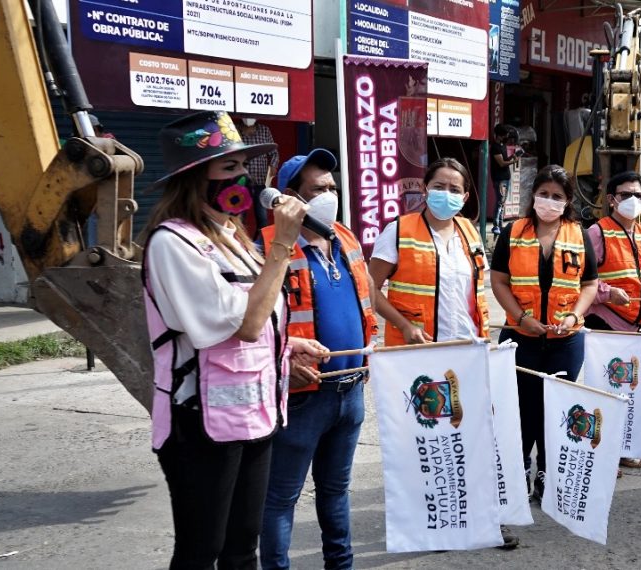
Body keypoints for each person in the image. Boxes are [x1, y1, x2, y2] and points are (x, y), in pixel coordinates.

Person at [141, 111, 323, 568]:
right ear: (194, 177)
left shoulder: (230, 236)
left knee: (243, 548)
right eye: (229, 167)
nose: (243, 176)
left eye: (244, 166)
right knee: (203, 551)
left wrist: (286, 345)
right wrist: (282, 244)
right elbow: (241, 324)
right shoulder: (173, 243)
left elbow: (257, 319)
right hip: (200, 424)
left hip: (254, 415)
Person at [367, 158, 521, 549]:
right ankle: (434, 524)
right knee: (429, 445)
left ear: (467, 196)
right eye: (440, 186)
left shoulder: (470, 231)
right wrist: (402, 324)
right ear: (425, 187)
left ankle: (486, 520)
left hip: (468, 353)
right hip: (420, 358)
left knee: (478, 439)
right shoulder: (398, 231)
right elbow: (369, 289)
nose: (447, 195)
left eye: (455, 189)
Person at [258, 147, 378, 570]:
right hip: (303, 396)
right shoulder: (270, 246)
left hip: (350, 391)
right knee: (280, 498)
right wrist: (281, 362)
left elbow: (364, 301)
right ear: (290, 197)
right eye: (317, 189)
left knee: (335, 491)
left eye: (332, 187)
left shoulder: (343, 236)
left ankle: (339, 566)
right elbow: (253, 321)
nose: (329, 195)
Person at [491, 165, 599, 502]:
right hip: (519, 338)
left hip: (565, 342)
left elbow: (590, 284)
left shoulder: (579, 235)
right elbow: (499, 280)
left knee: (556, 410)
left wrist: (574, 315)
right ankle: (518, 469)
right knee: (520, 409)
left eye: (557, 196)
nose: (548, 201)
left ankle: (547, 472)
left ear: (567, 202)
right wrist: (521, 317)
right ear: (533, 195)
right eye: (544, 194)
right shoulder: (512, 232)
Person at [584, 171, 641, 470]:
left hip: (638, 327)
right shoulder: (598, 232)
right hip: (606, 323)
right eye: (625, 195)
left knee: (630, 392)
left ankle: (623, 447)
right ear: (611, 200)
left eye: (638, 195)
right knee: (605, 392)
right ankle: (604, 454)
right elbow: (581, 279)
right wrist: (606, 294)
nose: (632, 200)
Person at [237, 117, 280, 232]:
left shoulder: (264, 130)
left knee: (262, 218)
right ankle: (240, 244)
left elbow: (274, 153)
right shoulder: (235, 130)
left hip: (260, 182)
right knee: (240, 217)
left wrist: (273, 166)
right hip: (242, 182)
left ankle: (262, 245)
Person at [490, 125, 519, 236]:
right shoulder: (495, 147)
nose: (507, 137)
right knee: (500, 202)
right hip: (500, 178)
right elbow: (501, 163)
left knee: (502, 203)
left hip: (505, 178)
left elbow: (505, 159)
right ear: (499, 135)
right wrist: (512, 162)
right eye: (505, 135)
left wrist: (513, 157)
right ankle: (496, 225)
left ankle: (500, 225)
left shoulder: (502, 145)